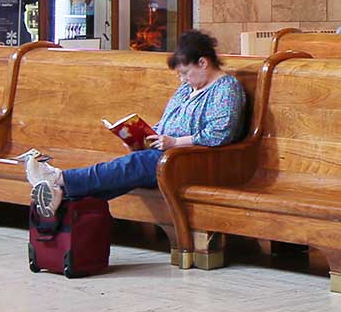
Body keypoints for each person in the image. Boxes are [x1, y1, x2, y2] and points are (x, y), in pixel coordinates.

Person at [24, 31, 245, 223]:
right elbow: (167, 123)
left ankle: (59, 178)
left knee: (132, 165)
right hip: (167, 152)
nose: (183, 79)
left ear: (203, 63)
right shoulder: (187, 89)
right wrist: (140, 138)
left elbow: (219, 134)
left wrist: (175, 142)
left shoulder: (226, 88)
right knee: (124, 174)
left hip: (193, 159)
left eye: (185, 73)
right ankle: (59, 194)